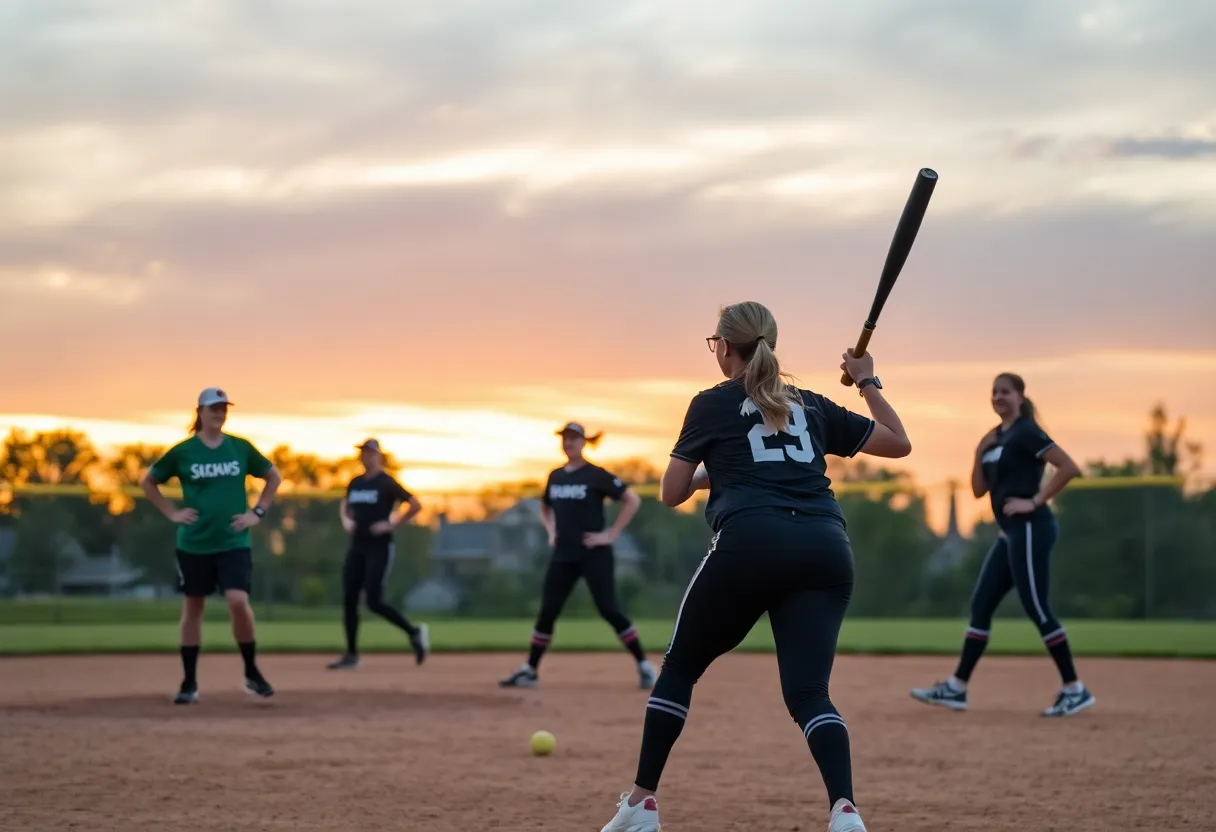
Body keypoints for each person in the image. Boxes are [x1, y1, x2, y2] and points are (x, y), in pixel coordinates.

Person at [598, 301, 912, 832]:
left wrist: (712, 474)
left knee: (679, 668)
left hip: (750, 542)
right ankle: (846, 812)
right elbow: (898, 444)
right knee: (810, 693)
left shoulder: (711, 403)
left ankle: (642, 805)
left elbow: (670, 492)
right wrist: (867, 380)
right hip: (824, 545)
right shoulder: (811, 404)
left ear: (724, 346)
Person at [910, 372, 1093, 717]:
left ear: (1020, 397)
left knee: (1036, 607)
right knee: (981, 604)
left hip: (1030, 528)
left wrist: (1035, 501)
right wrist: (979, 451)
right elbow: (979, 490)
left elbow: (1068, 467)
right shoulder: (994, 439)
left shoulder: (1026, 432)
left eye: (1005, 392)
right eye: (994, 392)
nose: (998, 397)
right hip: (1010, 533)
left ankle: (1075, 689)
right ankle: (956, 689)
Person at [140, 387, 282, 704]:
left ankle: (251, 671)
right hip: (194, 544)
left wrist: (257, 512)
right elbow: (148, 481)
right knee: (193, 608)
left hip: (233, 541)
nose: (219, 412)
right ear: (200, 412)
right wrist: (171, 513)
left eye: (223, 408)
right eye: (213, 408)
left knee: (237, 600)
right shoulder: (184, 451)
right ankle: (189, 682)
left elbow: (273, 476)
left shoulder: (239, 448)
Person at [500, 422, 656, 690]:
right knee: (548, 611)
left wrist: (610, 534)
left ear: (584, 442)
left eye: (573, 438)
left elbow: (632, 500)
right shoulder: (556, 476)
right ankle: (530, 670)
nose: (568, 443)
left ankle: (644, 665)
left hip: (594, 553)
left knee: (609, 609)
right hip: (563, 554)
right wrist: (551, 532)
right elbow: (545, 507)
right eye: (565, 438)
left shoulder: (595, 475)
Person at [327, 438, 429, 669]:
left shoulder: (386, 483)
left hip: (379, 546)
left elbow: (415, 505)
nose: (365, 457)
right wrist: (346, 521)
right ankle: (351, 655)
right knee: (349, 599)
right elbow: (345, 505)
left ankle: (413, 632)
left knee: (374, 600)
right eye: (363, 453)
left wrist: (392, 524)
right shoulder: (355, 483)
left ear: (378, 456)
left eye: (370, 453)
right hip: (357, 545)